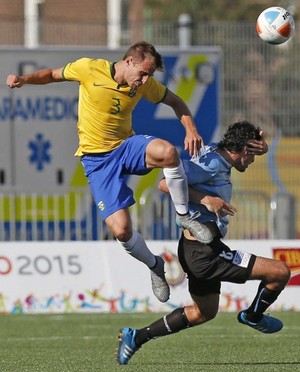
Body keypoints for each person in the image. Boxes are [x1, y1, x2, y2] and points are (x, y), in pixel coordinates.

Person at [6, 41, 214, 304]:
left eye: (149, 75)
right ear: (129, 62)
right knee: (122, 231)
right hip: (97, 161)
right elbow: (51, 74)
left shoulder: (144, 84)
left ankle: (184, 216)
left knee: (169, 153)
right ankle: (154, 265)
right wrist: (23, 80)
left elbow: (176, 101)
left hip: (126, 146)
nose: (145, 80)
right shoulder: (88, 68)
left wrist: (191, 129)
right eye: (143, 73)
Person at [115, 120, 291, 365]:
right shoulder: (212, 164)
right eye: (252, 156)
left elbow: (227, 156)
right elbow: (165, 183)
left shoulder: (217, 154)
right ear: (244, 150)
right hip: (203, 253)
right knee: (280, 272)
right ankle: (253, 316)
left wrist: (263, 147)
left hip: (200, 249)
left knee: (203, 312)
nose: (252, 162)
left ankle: (137, 337)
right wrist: (206, 198)